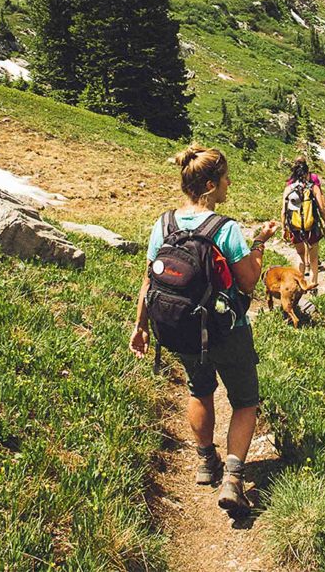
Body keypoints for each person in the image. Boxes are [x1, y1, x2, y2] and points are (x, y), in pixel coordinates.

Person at [129, 144, 277, 514]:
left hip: (181, 328)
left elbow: (150, 279)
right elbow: (247, 282)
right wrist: (259, 243)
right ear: (210, 185)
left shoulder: (163, 224)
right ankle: (232, 477)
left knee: (200, 389)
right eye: (226, 179)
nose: (229, 185)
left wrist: (140, 326)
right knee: (245, 401)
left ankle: (204, 461)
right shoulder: (224, 229)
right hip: (228, 329)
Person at [281, 156, 325, 293]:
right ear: (307, 171)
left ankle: (299, 284)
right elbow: (321, 208)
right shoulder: (313, 187)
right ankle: (313, 284)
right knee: (314, 257)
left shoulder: (289, 188)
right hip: (311, 226)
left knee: (300, 255)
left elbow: (284, 211)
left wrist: (283, 228)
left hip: (294, 227)